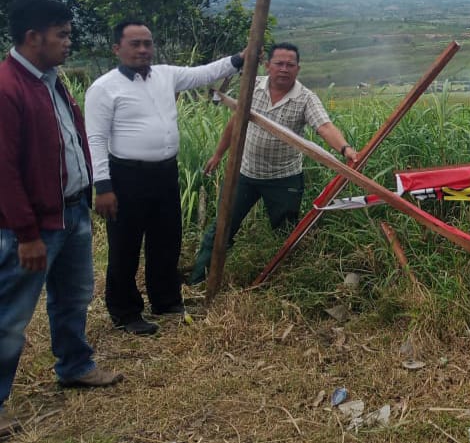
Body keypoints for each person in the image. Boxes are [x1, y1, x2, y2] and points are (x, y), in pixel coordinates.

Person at [0, 0, 123, 437]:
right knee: (10, 316)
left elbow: (68, 140)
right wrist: (26, 234)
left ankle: (75, 366)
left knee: (73, 296)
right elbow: (4, 171)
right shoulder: (7, 88)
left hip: (72, 211)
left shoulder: (49, 80)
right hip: (33, 227)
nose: (69, 42)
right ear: (33, 37)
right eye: (62, 34)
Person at [85, 20, 247, 336]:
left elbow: (204, 73)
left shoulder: (165, 75)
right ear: (117, 48)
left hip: (165, 173)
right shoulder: (104, 88)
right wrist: (102, 186)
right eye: (135, 44)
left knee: (166, 239)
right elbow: (96, 139)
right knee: (125, 246)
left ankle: (166, 300)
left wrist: (239, 58)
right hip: (127, 176)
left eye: (147, 43)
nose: (143, 49)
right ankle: (125, 311)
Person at [187, 42, 358, 285]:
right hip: (245, 174)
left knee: (286, 233)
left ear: (298, 69)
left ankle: (283, 283)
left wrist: (345, 149)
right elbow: (235, 123)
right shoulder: (252, 87)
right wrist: (218, 155)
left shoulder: (305, 98)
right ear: (268, 65)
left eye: (290, 65)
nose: (284, 69)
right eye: (279, 63)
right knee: (221, 228)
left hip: (284, 178)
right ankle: (198, 281)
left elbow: (324, 127)